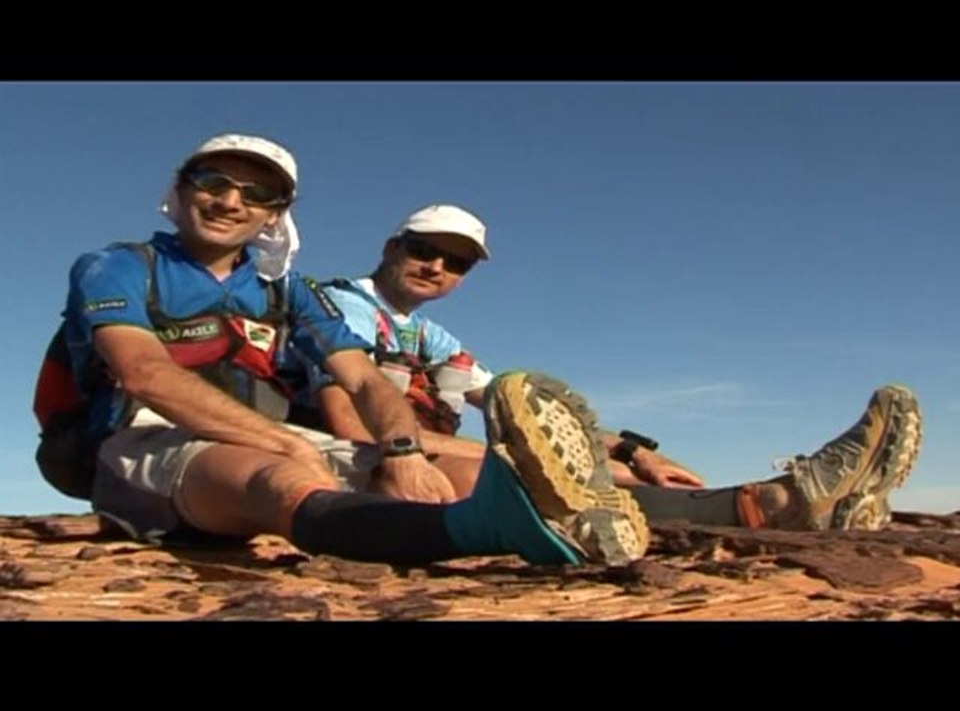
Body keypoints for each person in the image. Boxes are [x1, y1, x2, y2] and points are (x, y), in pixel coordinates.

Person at [42, 131, 678, 569]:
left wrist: (402, 452)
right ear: (179, 191)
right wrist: (285, 441)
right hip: (145, 436)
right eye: (213, 180)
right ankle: (471, 533)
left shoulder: (288, 290)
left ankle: (695, 511)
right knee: (279, 477)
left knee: (471, 474)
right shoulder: (121, 265)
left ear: (275, 216)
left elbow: (367, 382)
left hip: (269, 434)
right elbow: (144, 373)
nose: (231, 200)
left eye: (257, 194)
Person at [295, 203, 924, 532]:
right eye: (424, 250)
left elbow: (509, 404)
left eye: (455, 263)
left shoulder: (432, 335)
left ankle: (779, 503)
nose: (436, 267)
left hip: (418, 454)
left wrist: (636, 449)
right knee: (529, 473)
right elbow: (350, 421)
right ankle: (777, 503)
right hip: (359, 458)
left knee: (573, 456)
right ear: (391, 247)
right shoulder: (336, 307)